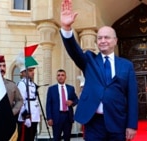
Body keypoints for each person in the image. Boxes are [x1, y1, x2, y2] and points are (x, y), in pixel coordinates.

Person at [59, 0, 138, 140]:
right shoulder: (89, 60)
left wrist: (131, 125)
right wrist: (66, 28)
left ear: (115, 41)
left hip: (117, 122)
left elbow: (132, 97)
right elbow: (74, 51)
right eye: (99, 38)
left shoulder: (126, 66)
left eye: (106, 37)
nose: (102, 40)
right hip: (94, 123)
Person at [46, 69, 79, 141]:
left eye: (62, 75)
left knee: (67, 138)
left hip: (68, 117)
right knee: (56, 138)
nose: (60, 77)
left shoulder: (71, 88)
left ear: (65, 77)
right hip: (56, 117)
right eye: (58, 75)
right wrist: (49, 118)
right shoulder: (51, 89)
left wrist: (72, 102)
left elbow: (76, 100)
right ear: (56, 77)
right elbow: (48, 104)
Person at [15, 52, 40, 141]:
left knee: (31, 138)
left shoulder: (32, 84)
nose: (33, 72)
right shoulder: (22, 84)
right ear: (23, 72)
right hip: (27, 117)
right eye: (30, 70)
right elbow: (21, 101)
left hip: (34, 115)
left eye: (33, 70)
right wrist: (26, 117)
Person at [0, 55, 23, 120]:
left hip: (7, 120)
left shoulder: (12, 85)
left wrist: (12, 112)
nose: (2, 68)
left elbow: (20, 100)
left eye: (4, 66)